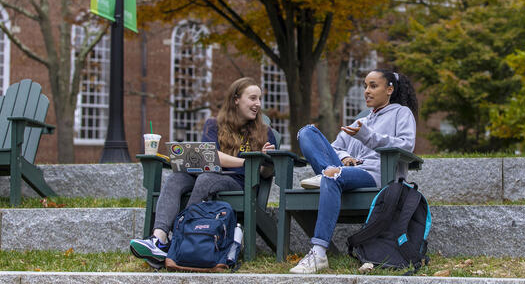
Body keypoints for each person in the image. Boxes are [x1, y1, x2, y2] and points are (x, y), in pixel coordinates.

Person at [130, 77, 277, 266]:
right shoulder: (213, 125)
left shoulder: (265, 132)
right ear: (236, 100)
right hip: (205, 174)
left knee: (207, 179)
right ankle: (158, 240)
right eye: (252, 98)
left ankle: (180, 244)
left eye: (259, 99)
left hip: (239, 183)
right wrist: (245, 161)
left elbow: (265, 174)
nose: (257, 103)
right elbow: (212, 156)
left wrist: (268, 160)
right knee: (176, 178)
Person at [289, 69, 418, 274]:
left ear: (389, 89)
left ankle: (318, 253)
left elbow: (406, 145)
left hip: (378, 174)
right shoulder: (362, 121)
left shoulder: (401, 113)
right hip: (351, 171)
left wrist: (368, 136)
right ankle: (330, 173)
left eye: (373, 86)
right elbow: (334, 147)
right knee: (307, 133)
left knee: (332, 175)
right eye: (365, 86)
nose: (367, 91)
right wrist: (345, 159)